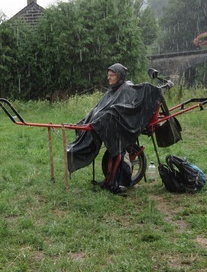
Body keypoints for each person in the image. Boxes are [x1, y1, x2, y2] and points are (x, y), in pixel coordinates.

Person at [66, 63, 162, 194]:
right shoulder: (113, 89)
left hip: (120, 126)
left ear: (120, 76)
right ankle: (109, 181)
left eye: (112, 75)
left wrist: (105, 117)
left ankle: (114, 183)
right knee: (97, 120)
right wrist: (85, 121)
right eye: (108, 75)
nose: (109, 78)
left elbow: (125, 108)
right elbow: (99, 107)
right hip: (109, 126)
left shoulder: (126, 89)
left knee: (116, 151)